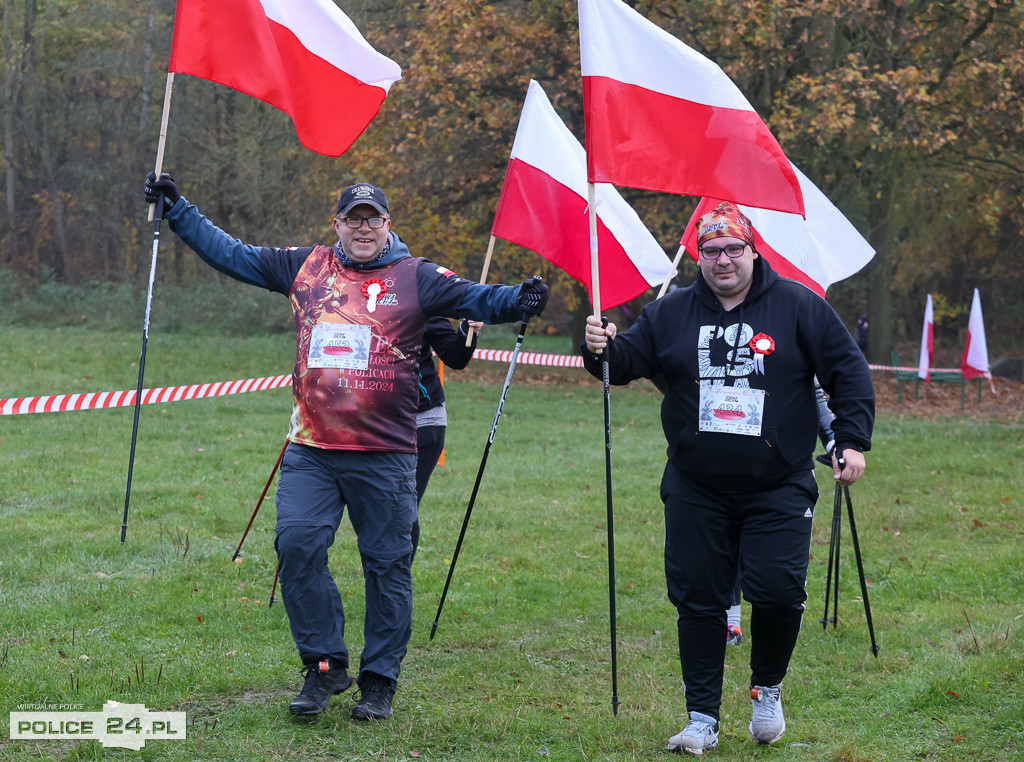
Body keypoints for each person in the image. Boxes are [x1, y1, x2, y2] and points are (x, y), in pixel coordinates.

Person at [144, 174, 549, 722]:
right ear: (337, 224)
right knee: (297, 545)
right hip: (312, 449)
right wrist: (179, 211)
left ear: (388, 226)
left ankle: (379, 681)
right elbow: (231, 255)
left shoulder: (417, 277)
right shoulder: (304, 267)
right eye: (353, 218)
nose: (364, 227)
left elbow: (476, 297)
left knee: (387, 564)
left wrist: (518, 299)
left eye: (373, 219)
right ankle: (325, 669)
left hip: (385, 453)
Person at [581, 201, 873, 755]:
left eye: (733, 249)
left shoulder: (795, 307)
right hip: (697, 485)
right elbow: (623, 364)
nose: (722, 261)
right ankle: (701, 718)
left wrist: (852, 439)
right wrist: (599, 349)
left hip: (778, 482)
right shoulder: (671, 313)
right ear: (699, 256)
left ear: (751, 251)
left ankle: (768, 689)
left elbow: (847, 369)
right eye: (711, 251)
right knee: (699, 600)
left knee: (780, 592)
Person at [412, 317, 482, 559]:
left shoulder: (421, 286)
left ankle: (393, 588)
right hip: (362, 423)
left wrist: (467, 330)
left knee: (399, 511)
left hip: (420, 422)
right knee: (373, 511)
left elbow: (456, 357)